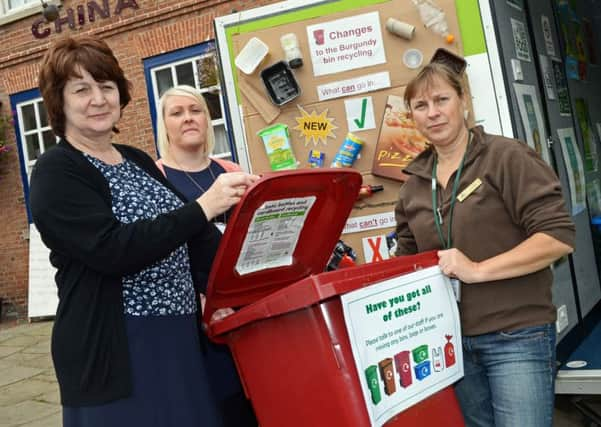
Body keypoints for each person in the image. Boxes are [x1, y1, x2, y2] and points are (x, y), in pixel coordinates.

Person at [29, 36, 259, 427]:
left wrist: (243, 272)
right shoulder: (57, 169)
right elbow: (110, 249)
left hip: (178, 341)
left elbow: (197, 242)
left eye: (105, 86)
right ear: (60, 102)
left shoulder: (136, 159)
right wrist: (204, 207)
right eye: (81, 89)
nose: (98, 99)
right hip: (117, 350)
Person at [394, 62, 575, 427]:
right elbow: (407, 262)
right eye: (421, 106)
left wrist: (477, 270)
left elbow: (557, 237)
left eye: (442, 100)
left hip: (516, 335)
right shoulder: (413, 184)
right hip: (450, 347)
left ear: (463, 101)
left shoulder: (506, 157)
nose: (433, 113)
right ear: (411, 116)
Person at [155, 85, 257, 426]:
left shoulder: (231, 170)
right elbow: (158, 250)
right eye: (177, 112)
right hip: (195, 319)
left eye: (195, 110)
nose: (188, 118)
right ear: (164, 125)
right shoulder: (156, 178)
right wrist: (200, 298)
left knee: (254, 399)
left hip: (243, 307)